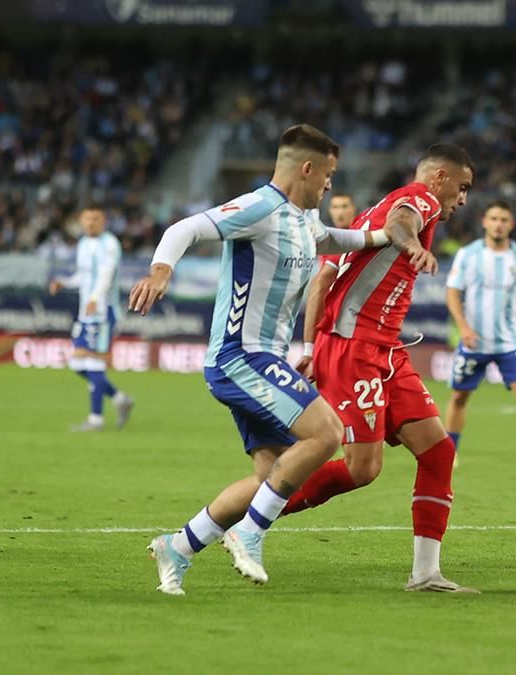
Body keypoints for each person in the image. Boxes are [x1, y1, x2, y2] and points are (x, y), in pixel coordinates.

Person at [133, 124, 395, 596]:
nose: (330, 185)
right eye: (329, 175)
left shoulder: (303, 219)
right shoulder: (259, 207)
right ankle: (250, 532)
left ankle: (179, 545)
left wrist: (383, 237)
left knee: (271, 476)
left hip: (265, 359)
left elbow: (336, 239)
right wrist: (160, 270)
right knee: (329, 432)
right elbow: (185, 228)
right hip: (240, 356)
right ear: (307, 169)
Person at [280, 144, 478, 593]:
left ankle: (426, 573)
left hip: (382, 349)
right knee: (361, 468)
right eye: (462, 188)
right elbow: (401, 224)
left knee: (438, 451)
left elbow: (324, 280)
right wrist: (413, 248)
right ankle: (251, 516)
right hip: (356, 349)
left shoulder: (366, 214)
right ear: (441, 177)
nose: (462, 200)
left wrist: (311, 344)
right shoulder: (419, 199)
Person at [443, 200, 516, 472]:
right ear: (485, 221)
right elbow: (452, 292)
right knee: (460, 396)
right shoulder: (468, 255)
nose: (498, 224)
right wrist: (464, 327)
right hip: (474, 339)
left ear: (511, 224)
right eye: (494, 218)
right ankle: (449, 452)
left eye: (504, 219)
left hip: (510, 340)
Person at [48, 205, 134, 432]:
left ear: (103, 220)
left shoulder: (110, 244)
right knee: (77, 363)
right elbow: (83, 276)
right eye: (86, 219)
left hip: (103, 312)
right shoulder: (84, 244)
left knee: (95, 362)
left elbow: (106, 275)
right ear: (81, 220)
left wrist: (95, 297)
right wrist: (64, 282)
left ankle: (96, 419)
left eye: (95, 219)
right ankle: (119, 399)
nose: (90, 223)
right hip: (86, 313)